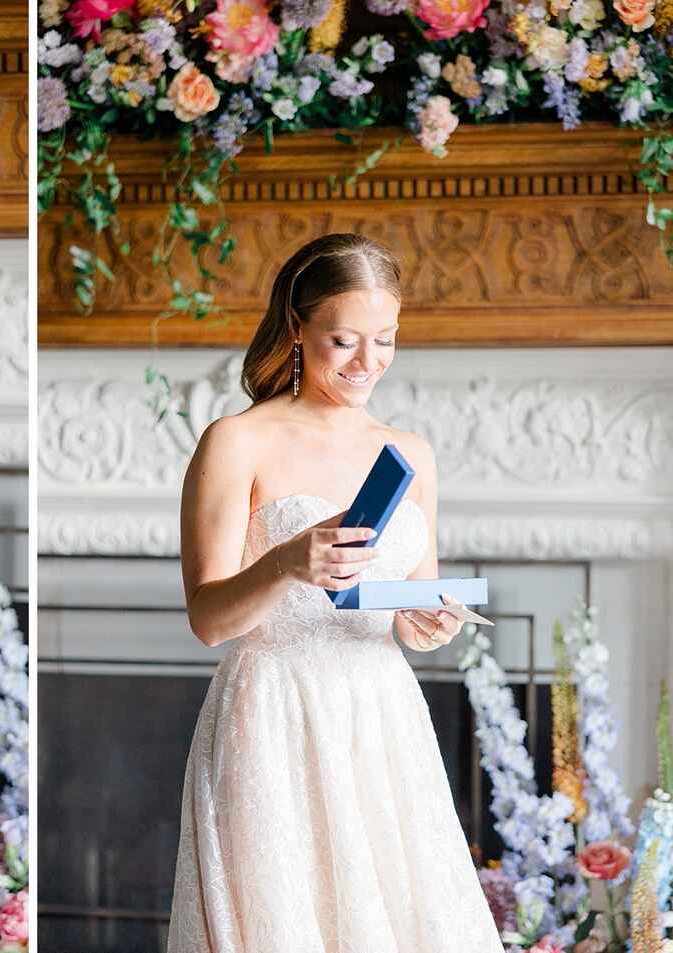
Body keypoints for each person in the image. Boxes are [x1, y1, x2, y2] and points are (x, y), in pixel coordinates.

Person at [167, 233, 503, 952]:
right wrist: (285, 561)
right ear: (297, 326)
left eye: (385, 340)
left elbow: (412, 603)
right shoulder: (236, 441)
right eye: (344, 340)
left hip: (382, 717)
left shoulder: (409, 451)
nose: (367, 362)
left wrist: (425, 621)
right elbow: (207, 620)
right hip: (275, 713)